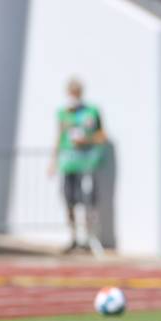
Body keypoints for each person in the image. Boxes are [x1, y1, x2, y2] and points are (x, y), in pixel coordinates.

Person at [49, 78, 106, 254]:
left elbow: (101, 135)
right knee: (69, 200)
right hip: (68, 164)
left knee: (87, 201)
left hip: (86, 163)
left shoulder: (91, 112)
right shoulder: (63, 113)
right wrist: (53, 161)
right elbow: (59, 136)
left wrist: (86, 140)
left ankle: (88, 238)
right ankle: (73, 237)